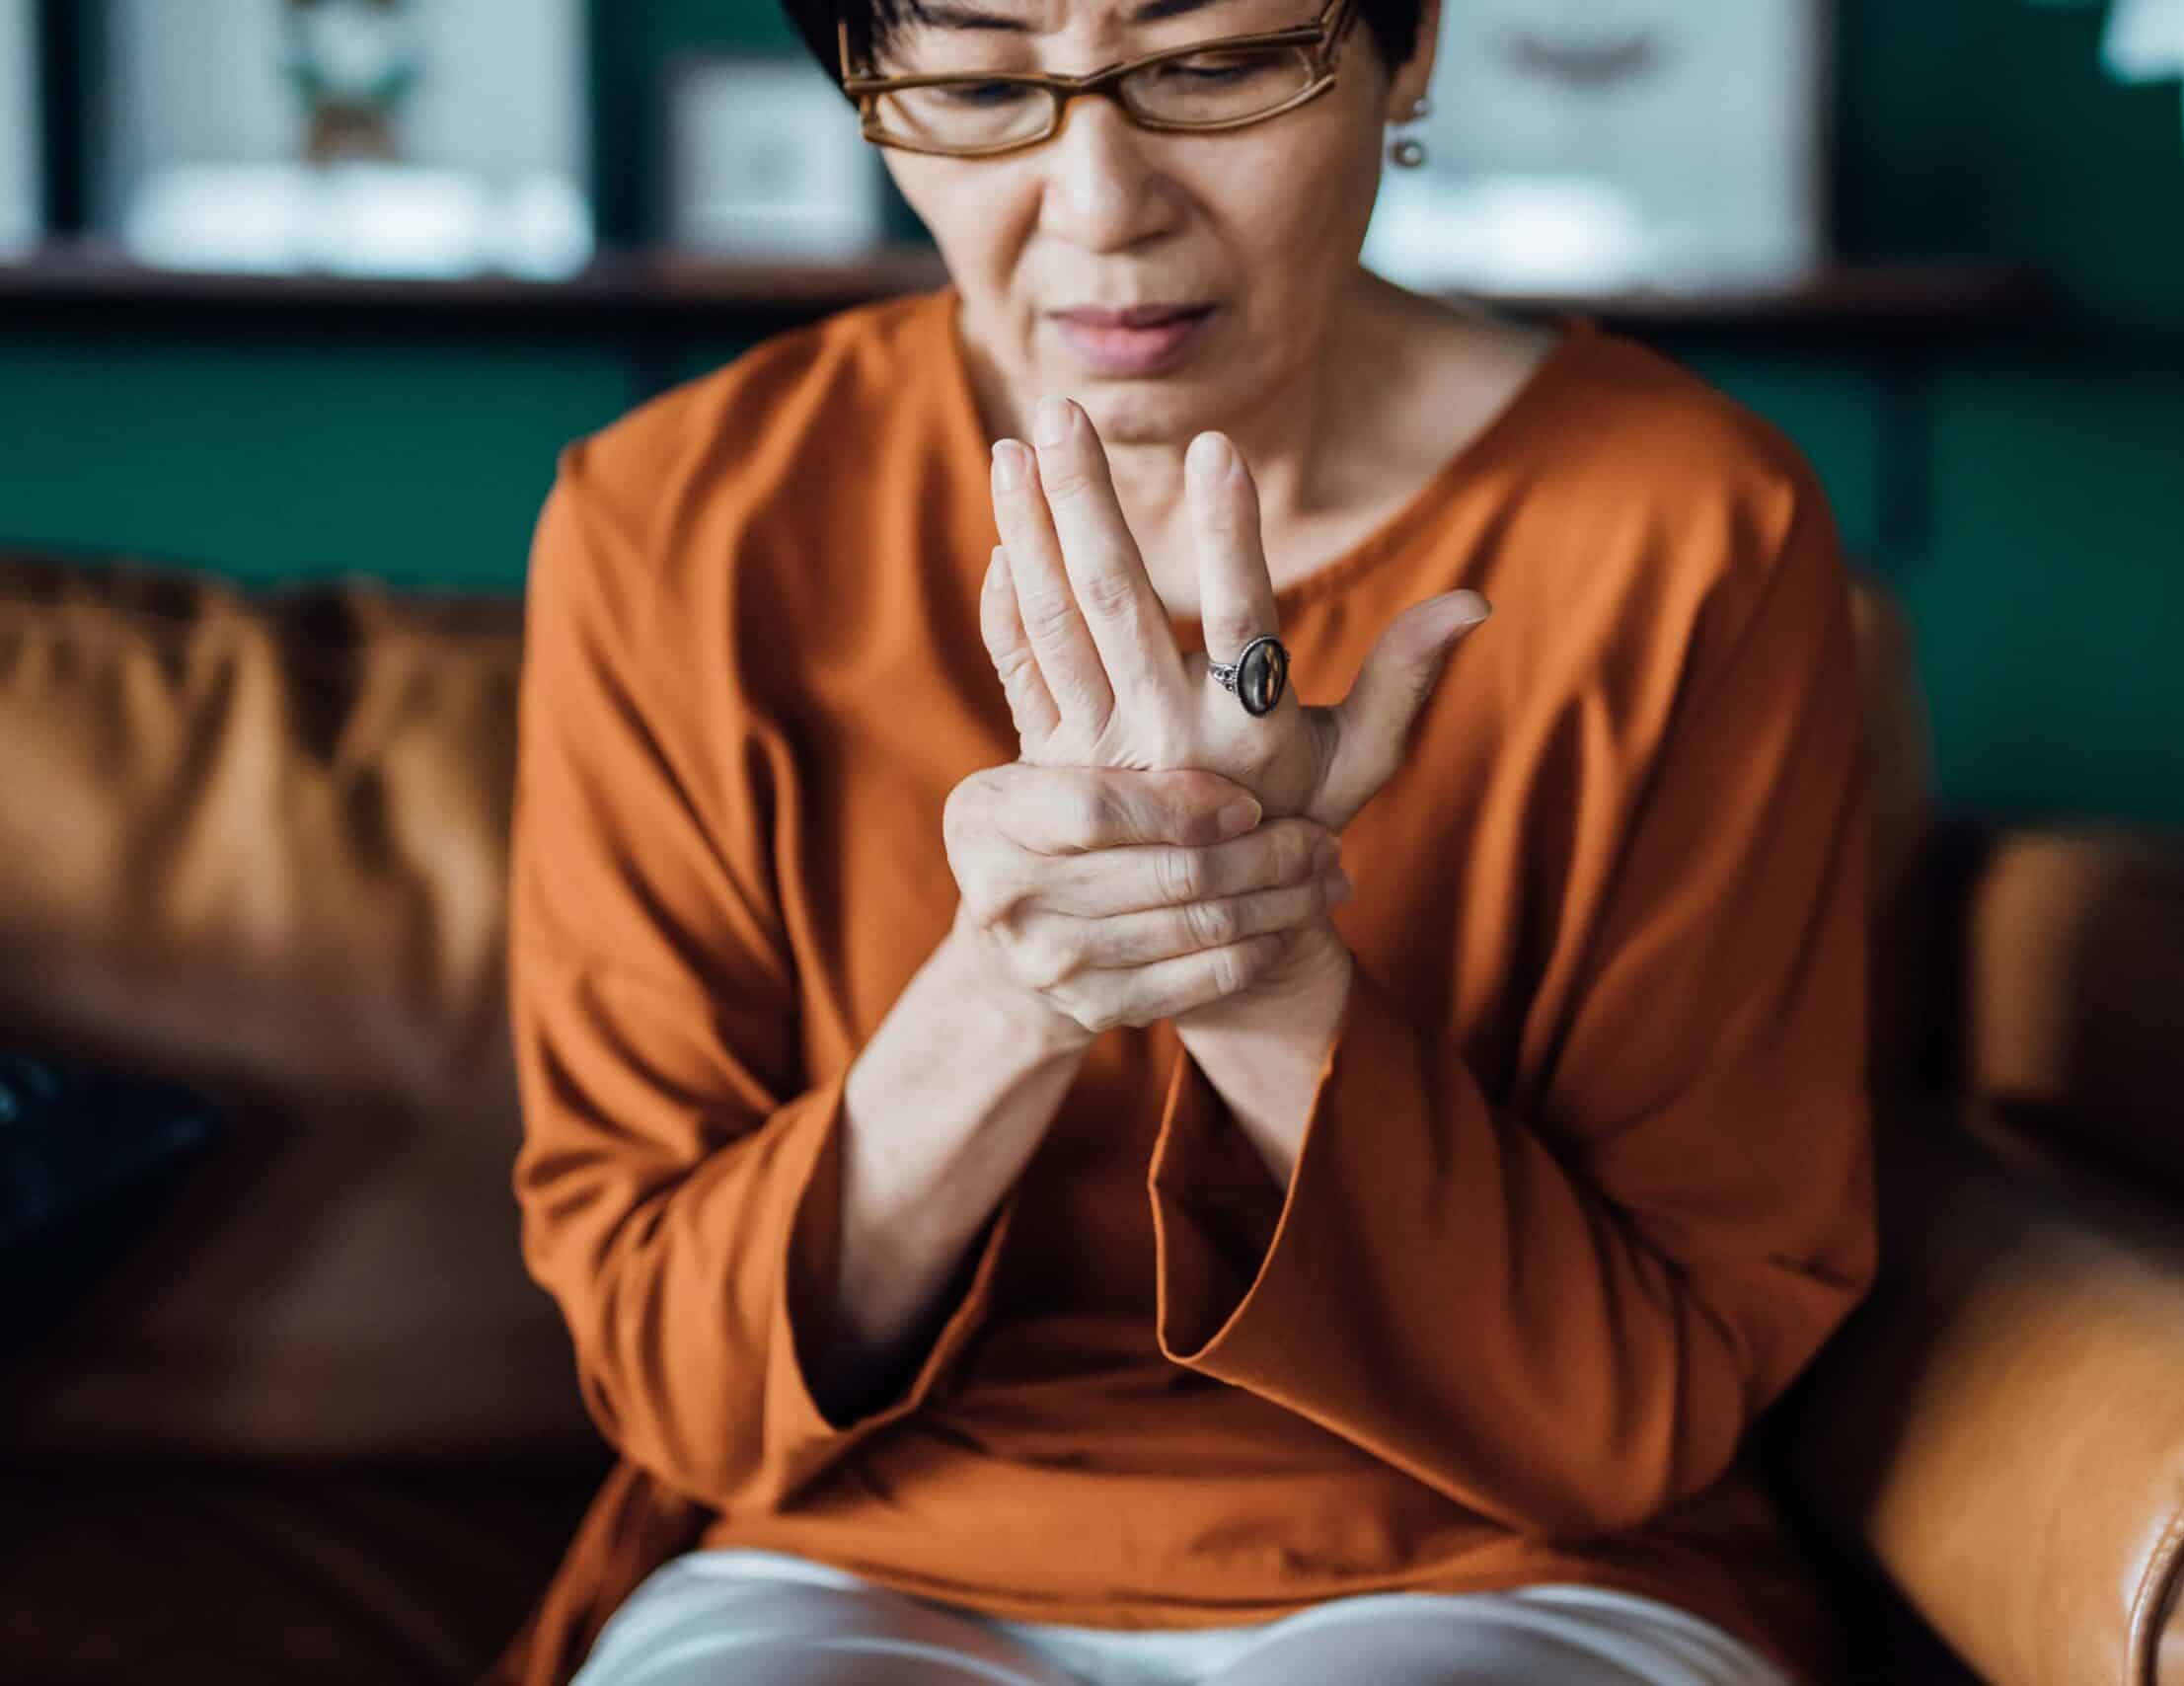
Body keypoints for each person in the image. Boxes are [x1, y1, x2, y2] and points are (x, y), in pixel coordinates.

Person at [494, 1, 1878, 1682]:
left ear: (1409, 45)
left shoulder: (1688, 531)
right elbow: (679, 1387)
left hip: (1506, 1561)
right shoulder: (675, 528)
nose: (1100, 205)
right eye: (978, 89)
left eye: (1213, 66)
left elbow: (1638, 1413)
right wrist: (1014, 990)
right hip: (854, 1560)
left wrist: (1259, 962)